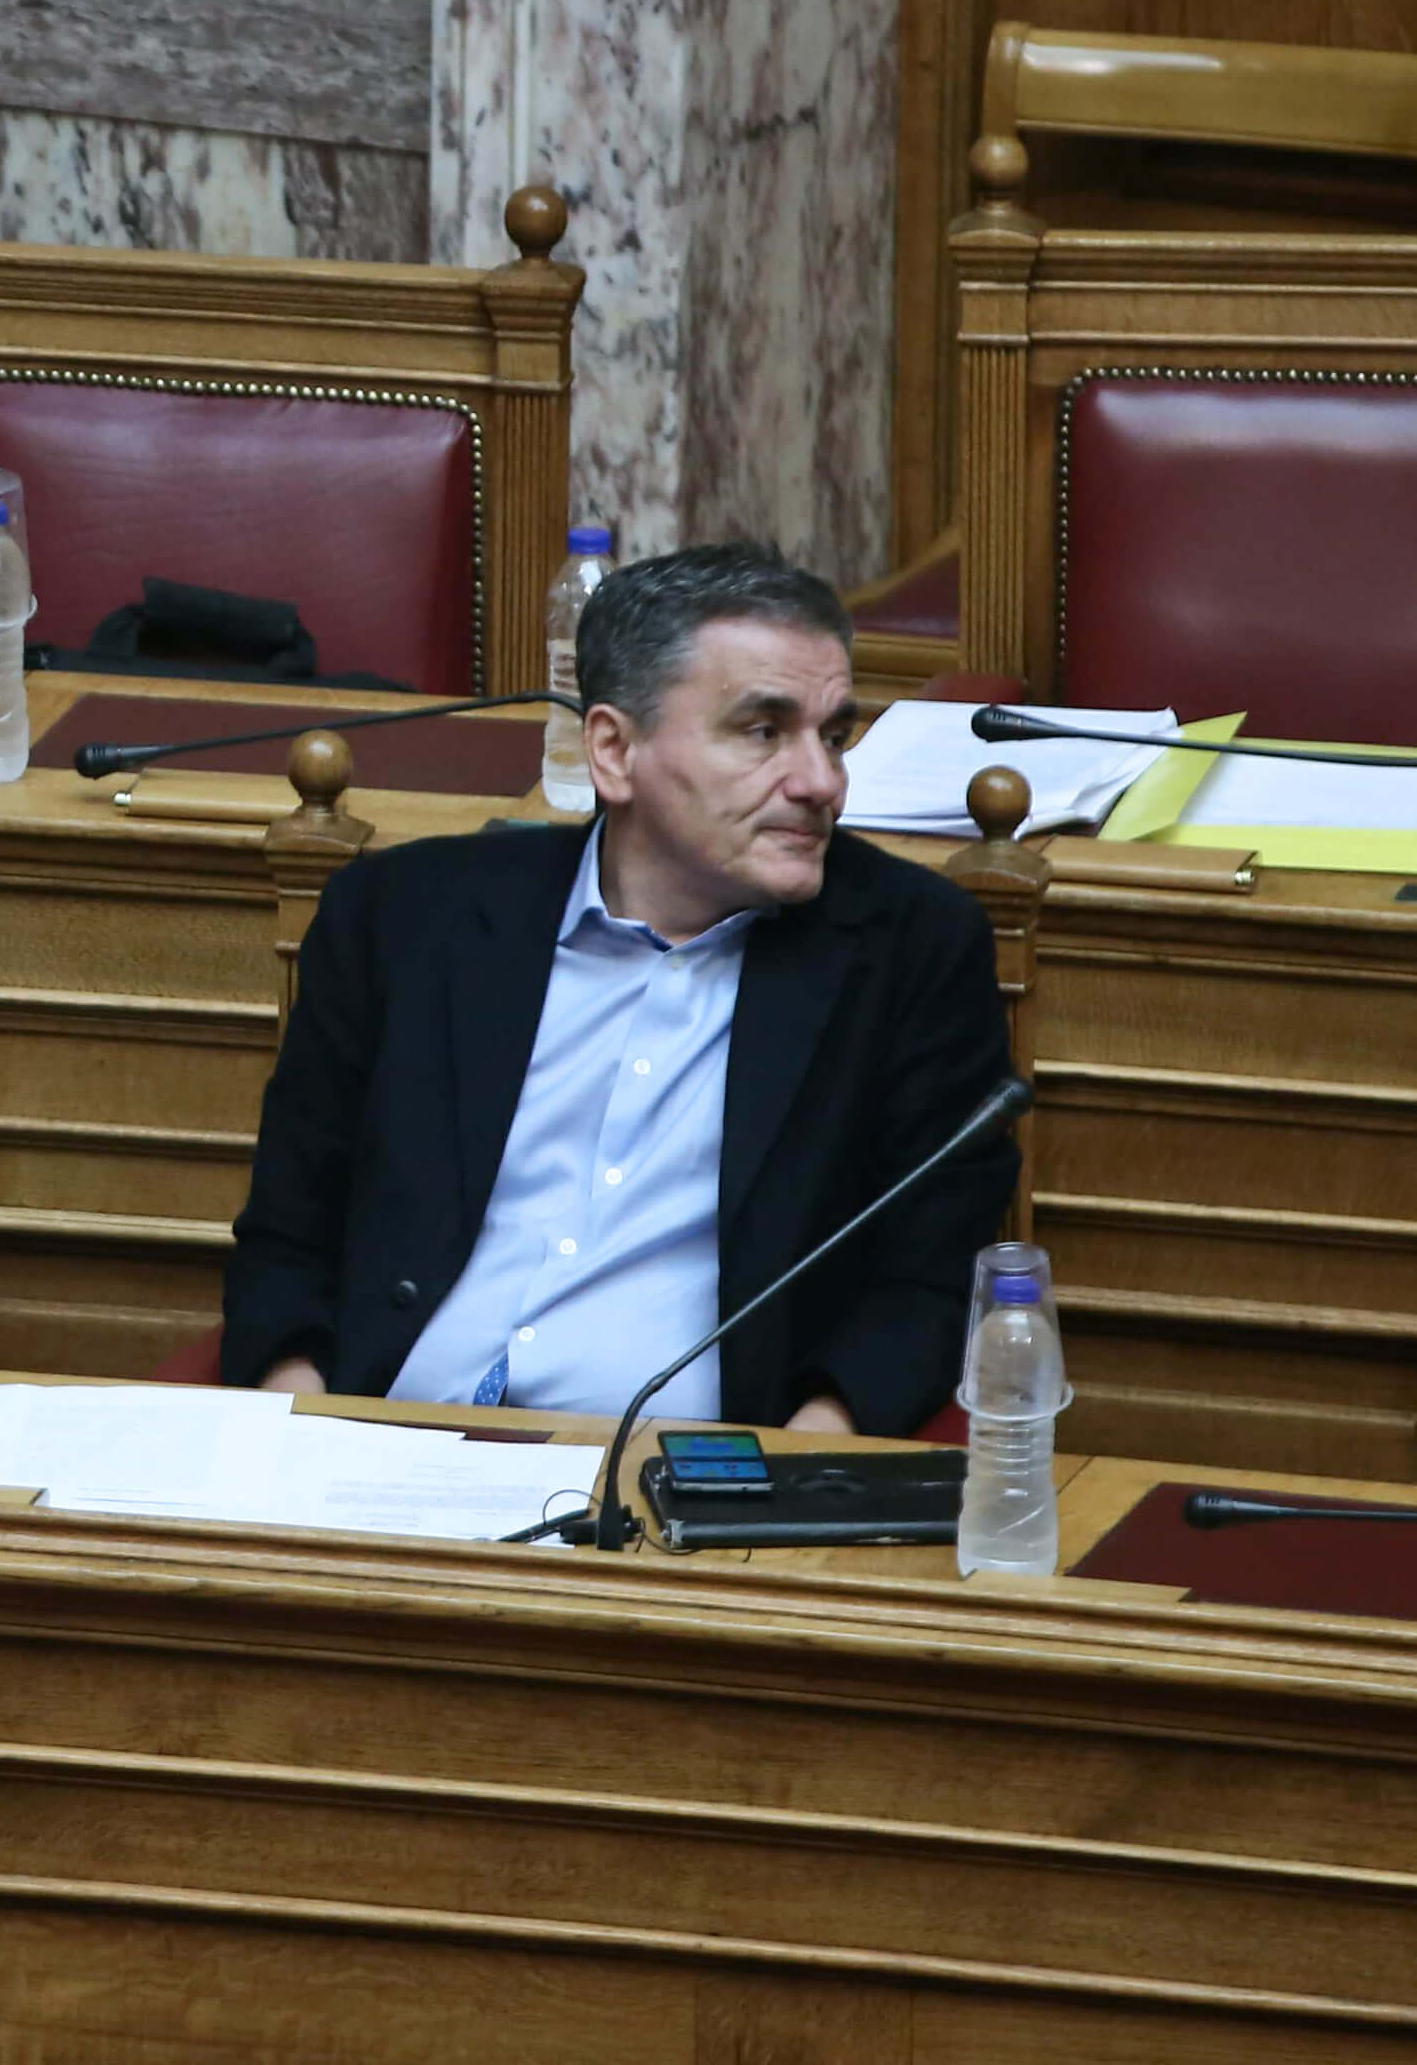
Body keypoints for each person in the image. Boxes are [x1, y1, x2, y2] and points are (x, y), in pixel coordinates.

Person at [220, 541, 1015, 1436]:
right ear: (613, 750)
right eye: (763, 732)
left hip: (680, 1481)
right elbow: (289, 1235)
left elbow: (926, 1285)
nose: (822, 782)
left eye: (832, 736)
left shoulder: (910, 952)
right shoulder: (402, 921)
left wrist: (798, 1464)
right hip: (382, 1441)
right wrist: (295, 1433)